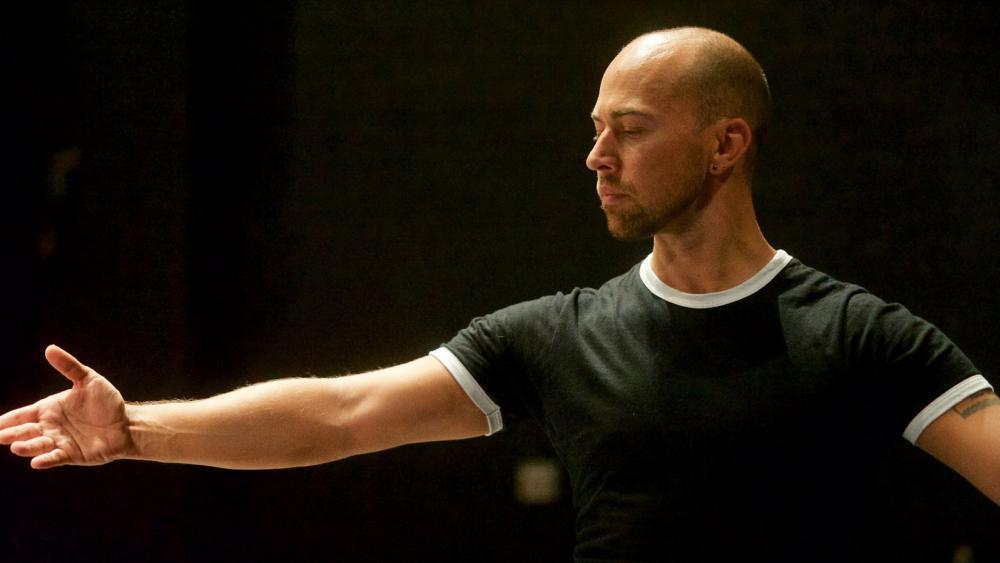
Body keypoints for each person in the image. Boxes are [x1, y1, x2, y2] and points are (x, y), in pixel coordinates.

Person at [2, 26, 998, 561]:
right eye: (596, 126)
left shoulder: (860, 333)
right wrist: (134, 427)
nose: (595, 156)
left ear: (726, 142)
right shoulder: (561, 335)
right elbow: (342, 413)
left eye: (632, 128)